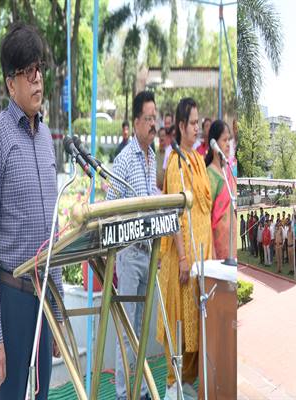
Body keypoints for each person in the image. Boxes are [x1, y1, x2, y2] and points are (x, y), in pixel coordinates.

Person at [0, 23, 62, 399]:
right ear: (11, 84)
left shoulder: (46, 138)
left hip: (44, 300)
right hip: (12, 298)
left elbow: (54, 230)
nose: (37, 78)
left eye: (39, 68)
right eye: (28, 72)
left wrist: (58, 313)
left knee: (41, 395)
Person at [156, 97, 213, 397]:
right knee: (179, 340)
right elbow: (175, 213)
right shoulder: (176, 161)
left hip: (201, 263)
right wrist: (182, 259)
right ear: (180, 126)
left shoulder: (197, 159)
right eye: (192, 123)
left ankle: (187, 389)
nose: (196, 128)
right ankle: (173, 390)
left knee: (195, 345)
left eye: (197, 123)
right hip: (182, 264)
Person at [107, 91, 158, 400]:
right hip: (129, 253)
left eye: (155, 118)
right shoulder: (125, 158)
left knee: (138, 328)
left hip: (147, 252)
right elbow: (112, 205)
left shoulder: (151, 157)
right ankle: (123, 393)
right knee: (126, 329)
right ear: (136, 121)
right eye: (149, 119)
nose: (153, 124)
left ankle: (137, 389)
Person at [205, 120, 237, 260]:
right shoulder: (209, 174)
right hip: (218, 249)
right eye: (224, 140)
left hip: (233, 246)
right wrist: (211, 253)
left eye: (229, 139)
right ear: (214, 144)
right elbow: (207, 218)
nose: (228, 144)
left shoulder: (229, 170)